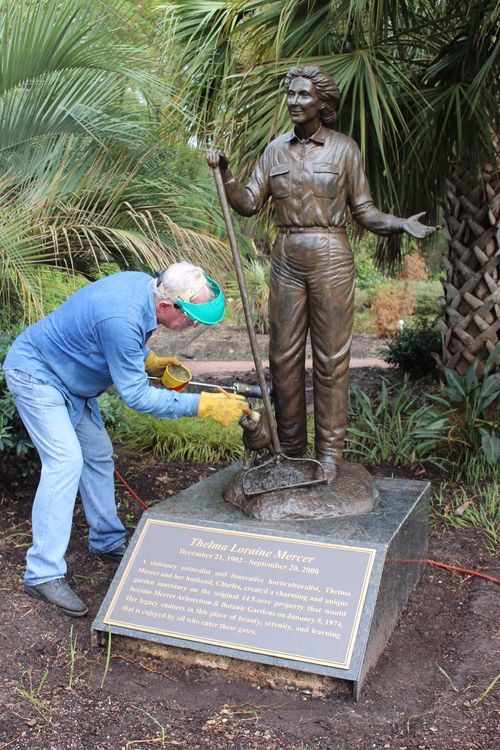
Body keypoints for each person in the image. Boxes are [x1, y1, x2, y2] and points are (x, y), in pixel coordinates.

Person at [208, 65, 439, 483]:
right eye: (291, 96)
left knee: (332, 360)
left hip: (331, 253)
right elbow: (246, 203)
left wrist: (401, 223)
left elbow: (364, 212)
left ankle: (329, 455)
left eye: (303, 96)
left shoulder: (344, 150)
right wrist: (226, 174)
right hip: (286, 255)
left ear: (322, 103)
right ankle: (292, 453)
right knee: (283, 357)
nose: (295, 102)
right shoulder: (274, 151)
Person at [2, 262, 249, 617]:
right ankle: (43, 573)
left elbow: (119, 341)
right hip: (37, 376)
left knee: (99, 454)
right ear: (168, 306)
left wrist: (151, 363)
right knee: (66, 462)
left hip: (73, 383)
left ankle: (106, 541)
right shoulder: (121, 317)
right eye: (192, 319)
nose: (193, 326)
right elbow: (137, 397)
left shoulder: (143, 288)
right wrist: (204, 406)